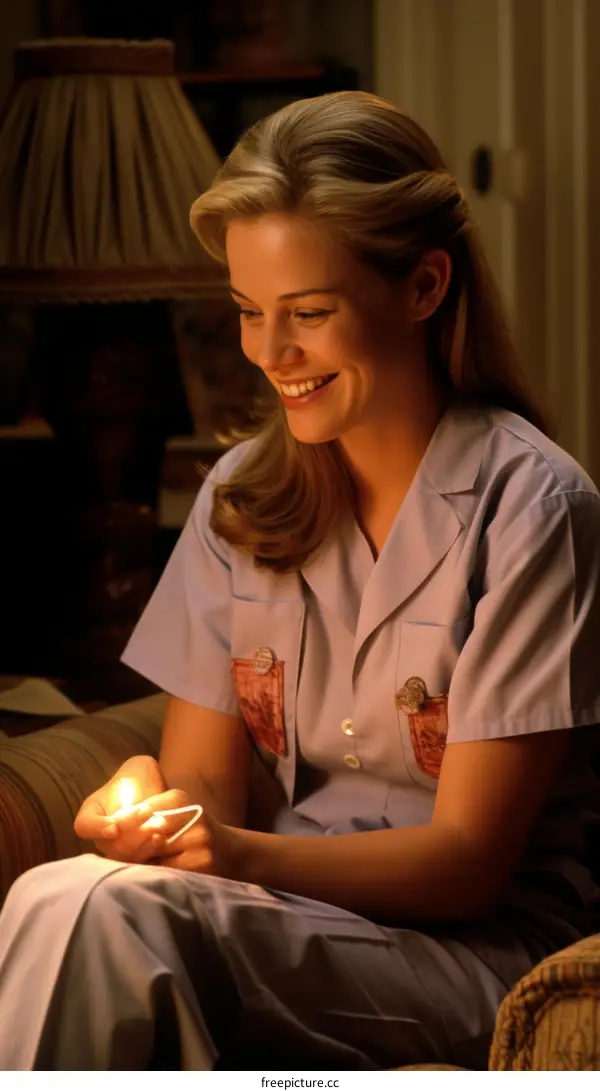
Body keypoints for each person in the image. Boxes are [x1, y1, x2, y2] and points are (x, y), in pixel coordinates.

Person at [1, 89, 600, 1072]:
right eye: (247, 313)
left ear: (423, 286)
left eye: (309, 313)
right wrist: (144, 795)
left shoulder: (534, 510)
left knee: (110, 920)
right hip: (273, 923)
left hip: (470, 950)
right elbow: (200, 782)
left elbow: (466, 861)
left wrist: (234, 855)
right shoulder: (240, 496)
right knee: (53, 893)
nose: (270, 356)